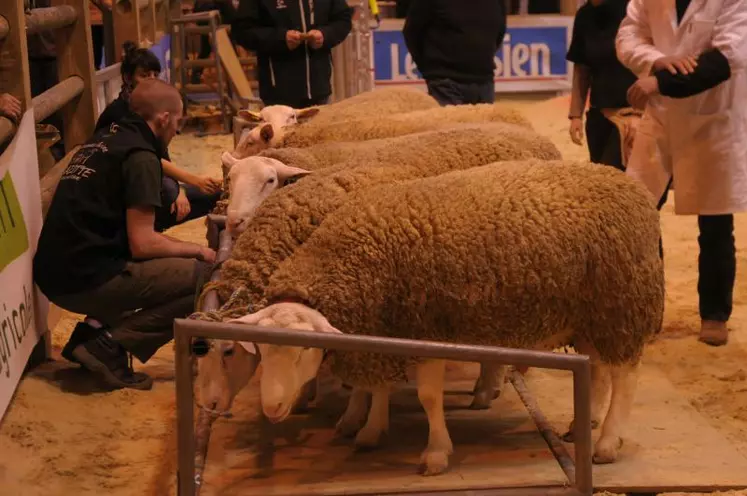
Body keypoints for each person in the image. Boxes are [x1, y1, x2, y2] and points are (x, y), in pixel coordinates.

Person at [33, 79, 216, 390]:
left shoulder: (105, 137)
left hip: (57, 270)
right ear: (164, 119)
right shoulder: (142, 158)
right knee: (209, 276)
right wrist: (197, 250)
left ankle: (90, 334)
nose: (177, 131)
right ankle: (111, 345)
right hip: (82, 278)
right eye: (179, 121)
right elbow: (143, 243)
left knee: (152, 262)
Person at [616, 0, 747, 346]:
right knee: (637, 212)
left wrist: (659, 82)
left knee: (715, 221)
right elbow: (628, 35)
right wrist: (657, 60)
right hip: (660, 118)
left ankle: (714, 315)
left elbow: (725, 59)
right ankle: (646, 309)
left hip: (714, 117)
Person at [96, 41, 223, 232]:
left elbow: (162, 157)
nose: (152, 80)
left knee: (215, 194)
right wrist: (191, 181)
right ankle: (147, 232)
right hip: (127, 182)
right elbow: (146, 160)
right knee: (172, 192)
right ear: (128, 78)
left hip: (153, 175)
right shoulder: (118, 113)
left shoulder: (152, 109)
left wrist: (182, 188)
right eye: (144, 75)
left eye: (155, 75)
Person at [231, 0, 353, 109]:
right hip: (278, 95)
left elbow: (343, 19)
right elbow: (242, 31)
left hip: (320, 90)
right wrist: (281, 39)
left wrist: (325, 35)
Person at [566, 0, 637, 171]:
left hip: (632, 116)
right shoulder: (584, 15)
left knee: (616, 177)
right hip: (599, 116)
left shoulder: (635, 10)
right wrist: (576, 115)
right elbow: (582, 69)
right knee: (602, 179)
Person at [403, 0, 506, 106]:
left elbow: (499, 32)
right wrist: (430, 69)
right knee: (450, 123)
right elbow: (412, 33)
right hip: (445, 82)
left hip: (484, 81)